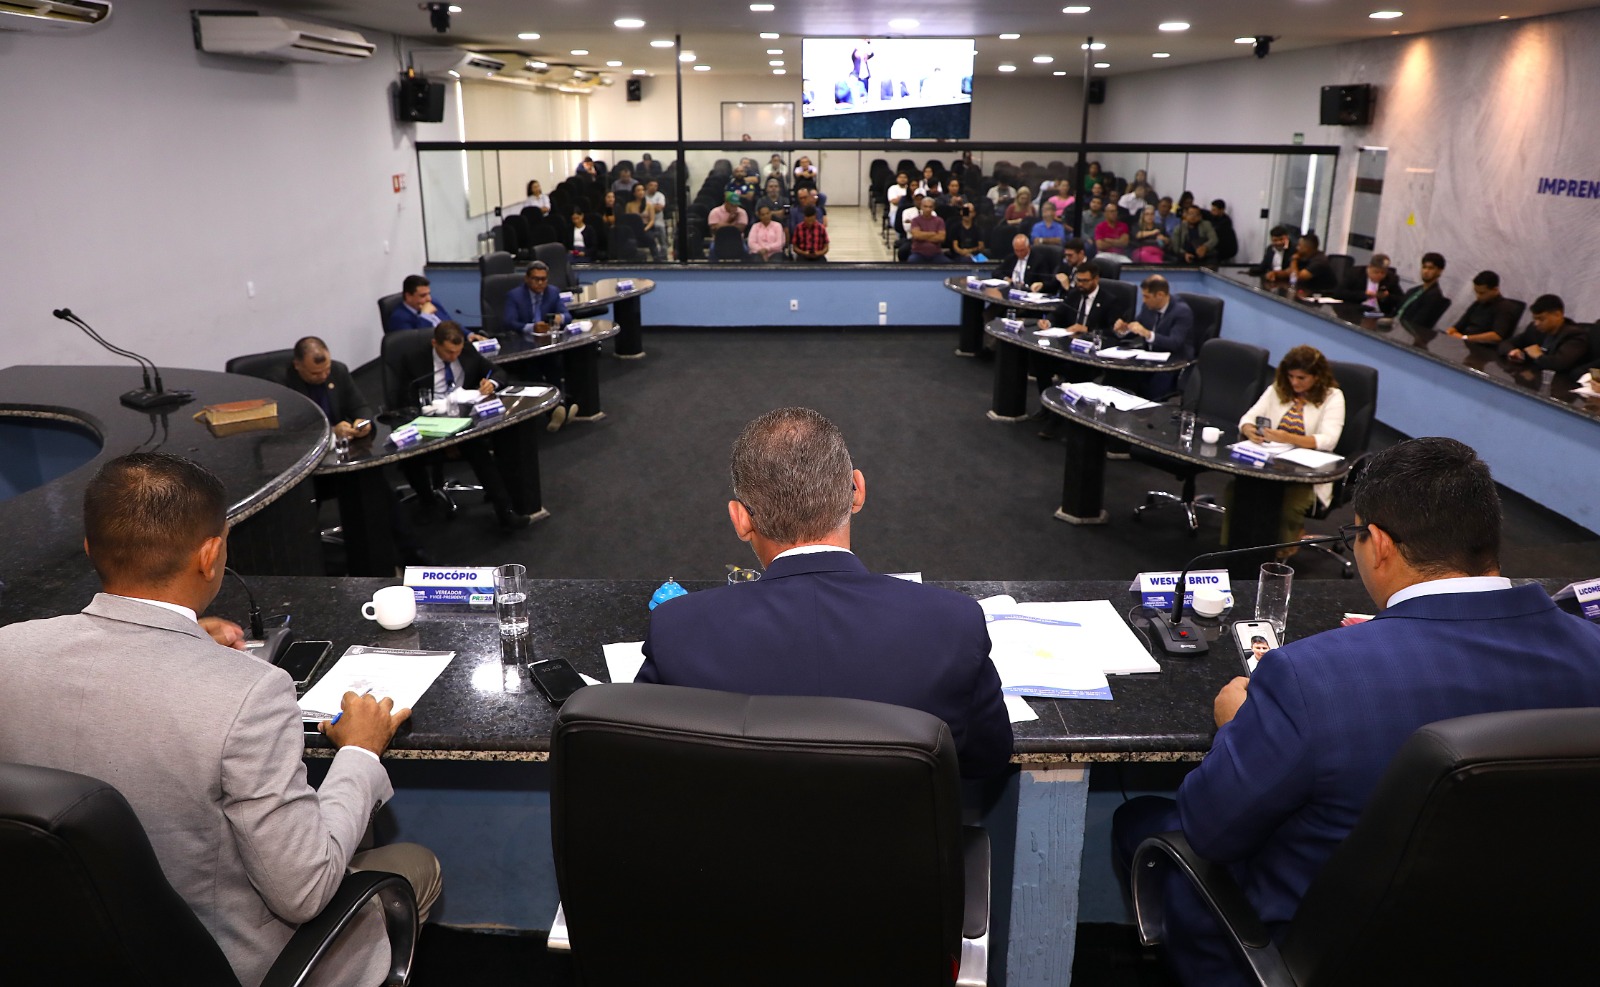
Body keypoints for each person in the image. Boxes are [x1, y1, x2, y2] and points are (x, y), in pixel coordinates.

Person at [1111, 436, 1600, 987]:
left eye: (1355, 535)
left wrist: (1236, 726)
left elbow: (1210, 830)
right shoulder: (1592, 651)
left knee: (1141, 821)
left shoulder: (1309, 676)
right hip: (1532, 949)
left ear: (1380, 545)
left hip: (1321, 953)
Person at [0, 452, 442, 987]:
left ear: (91, 547)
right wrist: (360, 752)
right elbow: (305, 892)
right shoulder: (251, 693)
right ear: (210, 556)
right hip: (223, 965)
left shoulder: (7, 651)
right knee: (416, 863)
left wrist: (185, 643)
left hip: (56, 951)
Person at [635, 407, 1013, 779]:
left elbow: (642, 763)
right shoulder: (953, 622)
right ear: (857, 491)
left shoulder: (677, 628)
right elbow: (987, 759)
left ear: (741, 519)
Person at [395, 321, 538, 525]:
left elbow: (498, 373)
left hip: (463, 419)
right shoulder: (413, 360)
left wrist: (491, 383)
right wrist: (442, 435)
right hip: (429, 423)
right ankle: (428, 504)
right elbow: (404, 403)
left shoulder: (467, 351)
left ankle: (505, 511)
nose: (454, 356)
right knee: (410, 457)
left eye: (458, 351)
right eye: (448, 352)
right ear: (435, 343)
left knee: (480, 448)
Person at [1234, 345, 1347, 546]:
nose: (1294, 382)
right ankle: (1237, 547)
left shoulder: (1333, 397)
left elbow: (1329, 440)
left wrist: (1288, 438)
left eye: (1301, 378)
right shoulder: (1278, 388)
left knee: (1287, 502)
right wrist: (1249, 429)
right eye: (1291, 376)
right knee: (1238, 491)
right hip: (1270, 465)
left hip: (1306, 475)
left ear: (1317, 376)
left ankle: (1281, 549)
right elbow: (1248, 418)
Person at [1111, 275, 1196, 397]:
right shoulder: (1148, 307)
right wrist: (1124, 330)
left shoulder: (1182, 312)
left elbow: (1175, 343)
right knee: (1118, 376)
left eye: (1147, 296)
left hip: (1173, 363)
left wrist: (1148, 334)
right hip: (1149, 359)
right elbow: (1138, 327)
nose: (1144, 300)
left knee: (1152, 391)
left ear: (1160, 295)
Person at [1500, 294, 1592, 372]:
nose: (1536, 323)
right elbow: (1505, 343)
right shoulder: (1534, 329)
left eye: (1541, 319)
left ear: (1558, 315)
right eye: (1535, 319)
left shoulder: (1575, 335)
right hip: (1531, 376)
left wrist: (1538, 356)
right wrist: (1512, 351)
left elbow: (1560, 364)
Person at [1446, 270, 1523, 344]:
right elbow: (1460, 325)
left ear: (1495, 289)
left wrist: (1465, 337)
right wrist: (1450, 332)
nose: (1478, 296)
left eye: (1482, 293)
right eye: (1476, 292)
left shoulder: (1504, 307)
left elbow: (1497, 336)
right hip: (1463, 341)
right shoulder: (1478, 303)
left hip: (1480, 347)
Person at [1391, 252, 1450, 329]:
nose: (1426, 271)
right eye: (1424, 267)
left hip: (1404, 331)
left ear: (1440, 271)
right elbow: (1396, 311)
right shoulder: (1412, 291)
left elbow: (1417, 323)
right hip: (1391, 326)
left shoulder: (1435, 297)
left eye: (1431, 268)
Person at [1335, 252, 1402, 317]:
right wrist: (1364, 294)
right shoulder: (1354, 273)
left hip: (1379, 314)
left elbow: (1400, 300)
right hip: (1355, 312)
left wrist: (1386, 297)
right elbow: (1339, 293)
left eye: (1383, 273)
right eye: (1376, 272)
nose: (1379, 275)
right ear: (1369, 267)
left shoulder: (1391, 278)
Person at [624, 182, 665, 261]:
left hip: (646, 227)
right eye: (638, 190)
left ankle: (657, 258)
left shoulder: (649, 205)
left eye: (642, 190)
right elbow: (627, 219)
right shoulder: (629, 205)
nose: (641, 192)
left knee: (650, 238)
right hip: (633, 228)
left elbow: (652, 220)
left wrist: (644, 229)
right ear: (634, 193)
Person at [906, 197, 949, 263]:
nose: (928, 209)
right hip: (918, 253)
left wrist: (923, 235)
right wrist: (933, 233)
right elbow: (916, 236)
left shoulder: (939, 221)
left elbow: (941, 237)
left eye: (930, 207)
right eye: (925, 206)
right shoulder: (915, 220)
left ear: (933, 208)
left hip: (936, 254)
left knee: (948, 263)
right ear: (921, 207)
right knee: (911, 261)